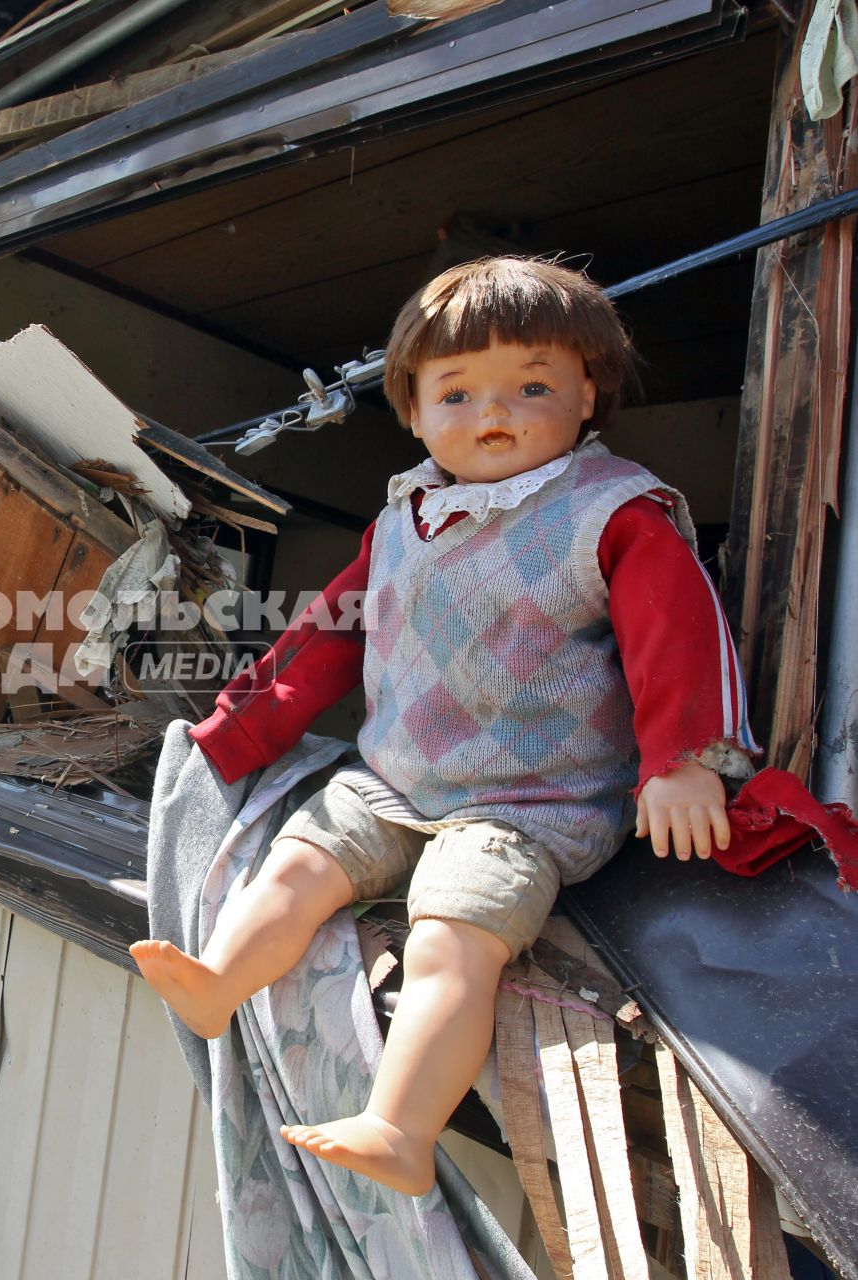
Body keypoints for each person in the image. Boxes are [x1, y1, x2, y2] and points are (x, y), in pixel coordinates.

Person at [130, 256, 758, 1196]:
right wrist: (239, 729)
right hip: (396, 774)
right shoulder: (401, 519)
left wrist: (680, 762)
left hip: (527, 803)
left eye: (532, 385)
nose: (493, 411)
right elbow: (326, 636)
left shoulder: (612, 513)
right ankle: (218, 983)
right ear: (414, 411)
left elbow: (677, 635)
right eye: (455, 391)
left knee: (449, 935)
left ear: (589, 392)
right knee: (299, 862)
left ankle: (398, 1127)